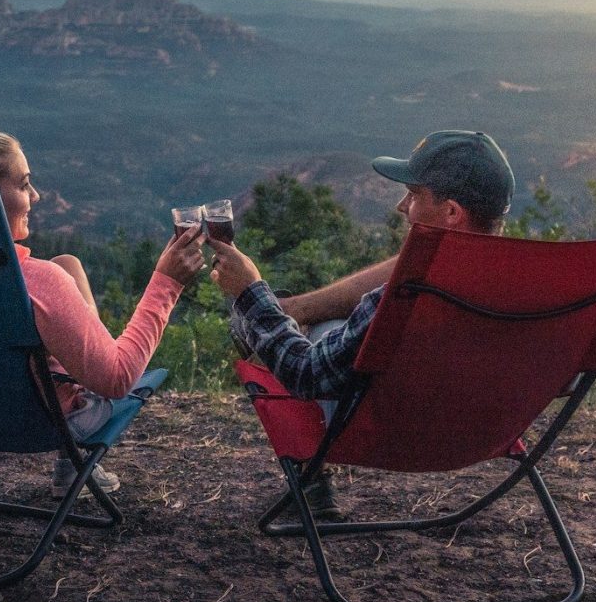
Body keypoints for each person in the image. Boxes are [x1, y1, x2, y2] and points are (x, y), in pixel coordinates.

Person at [0, 127, 206, 498]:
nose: (36, 195)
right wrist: (167, 282)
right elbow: (118, 380)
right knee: (91, 334)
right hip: (35, 421)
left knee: (68, 265)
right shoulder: (37, 285)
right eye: (23, 184)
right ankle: (73, 454)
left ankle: (84, 363)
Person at [208, 130, 514, 518]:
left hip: (387, 431)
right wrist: (294, 308)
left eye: (415, 195)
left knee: (269, 323)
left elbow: (306, 374)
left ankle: (312, 484)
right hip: (486, 431)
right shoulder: (537, 289)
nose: (402, 206)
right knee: (310, 320)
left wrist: (251, 292)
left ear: (452, 213)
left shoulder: (405, 301)